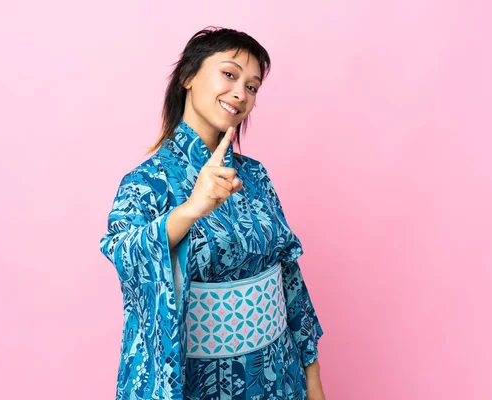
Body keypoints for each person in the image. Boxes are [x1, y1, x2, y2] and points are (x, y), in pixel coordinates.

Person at [99, 27, 326, 400]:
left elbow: (290, 280)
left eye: (252, 87)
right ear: (188, 76)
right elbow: (123, 253)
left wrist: (312, 375)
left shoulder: (254, 175)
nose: (241, 93)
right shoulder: (146, 182)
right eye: (230, 74)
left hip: (278, 376)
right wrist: (191, 210)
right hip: (198, 383)